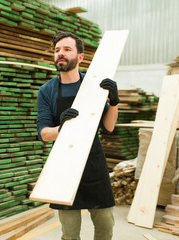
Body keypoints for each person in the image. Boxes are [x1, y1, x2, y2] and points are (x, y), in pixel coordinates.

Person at [36, 31, 119, 240]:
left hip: (94, 163)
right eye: (57, 50)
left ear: (80, 57)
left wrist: (114, 103)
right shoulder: (47, 91)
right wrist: (61, 128)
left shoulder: (93, 86)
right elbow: (44, 133)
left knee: (105, 226)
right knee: (70, 233)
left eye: (66, 49)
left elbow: (108, 127)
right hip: (63, 166)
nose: (60, 54)